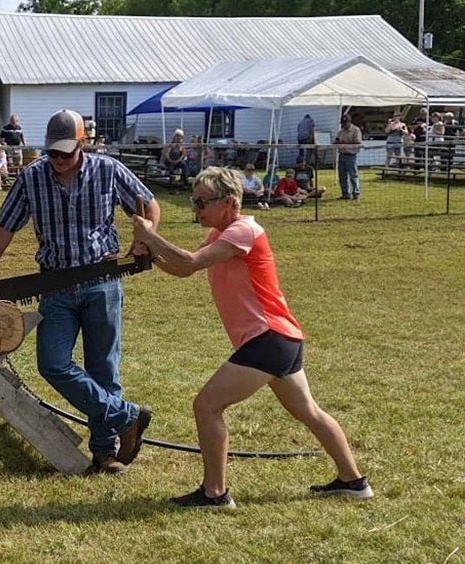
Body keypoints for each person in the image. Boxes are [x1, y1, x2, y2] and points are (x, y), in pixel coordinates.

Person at [130, 167, 373, 508]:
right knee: (309, 411)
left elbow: (190, 260)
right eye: (193, 201)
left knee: (207, 406)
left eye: (201, 202)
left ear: (229, 201)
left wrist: (150, 234)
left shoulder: (244, 229)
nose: (195, 209)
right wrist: (151, 255)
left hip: (268, 338)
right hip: (278, 339)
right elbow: (184, 269)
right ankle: (354, 481)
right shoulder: (221, 234)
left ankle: (215, 494)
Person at [0, 109, 158, 474]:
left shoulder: (107, 170)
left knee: (103, 367)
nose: (56, 160)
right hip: (55, 283)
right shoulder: (32, 177)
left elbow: (149, 204)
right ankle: (126, 417)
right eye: (51, 152)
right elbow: (3, 232)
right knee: (52, 364)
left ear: (82, 145)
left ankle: (105, 453)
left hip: (101, 280)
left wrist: (143, 238)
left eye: (64, 153)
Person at [333, 115, 362, 200]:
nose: (344, 125)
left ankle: (356, 193)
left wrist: (347, 143)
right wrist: (336, 142)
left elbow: (358, 142)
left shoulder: (356, 130)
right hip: (342, 155)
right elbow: (337, 140)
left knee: (353, 175)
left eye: (345, 123)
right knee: (342, 175)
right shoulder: (341, 131)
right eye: (342, 123)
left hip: (351, 155)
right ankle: (345, 193)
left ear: (349, 122)